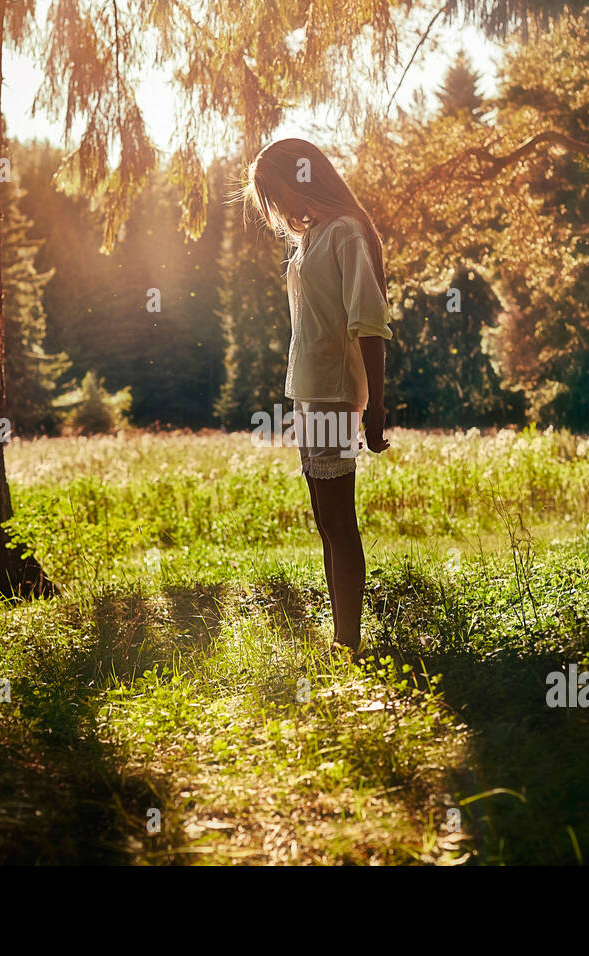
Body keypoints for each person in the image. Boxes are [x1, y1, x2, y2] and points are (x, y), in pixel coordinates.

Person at [242, 138, 393, 654]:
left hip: (332, 393)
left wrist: (376, 406)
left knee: (338, 521)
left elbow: (369, 324)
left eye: (274, 190)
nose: (275, 206)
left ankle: (348, 641)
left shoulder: (346, 234)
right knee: (326, 523)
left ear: (301, 177)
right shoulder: (311, 239)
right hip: (306, 395)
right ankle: (342, 638)